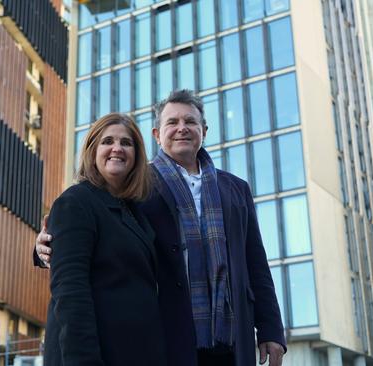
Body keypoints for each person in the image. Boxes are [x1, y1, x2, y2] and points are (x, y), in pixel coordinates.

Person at [36, 90, 286, 366]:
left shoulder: (236, 189)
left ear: (204, 130)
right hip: (169, 338)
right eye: (172, 122)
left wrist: (270, 327)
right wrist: (44, 247)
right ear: (156, 134)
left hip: (230, 337)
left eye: (190, 122)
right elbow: (94, 225)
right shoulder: (139, 185)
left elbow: (256, 264)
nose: (182, 128)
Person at [42, 113, 166, 366]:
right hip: (94, 356)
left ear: (137, 156)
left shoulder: (137, 213)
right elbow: (70, 292)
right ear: (92, 150)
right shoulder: (75, 202)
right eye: (107, 141)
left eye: (126, 143)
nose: (117, 148)